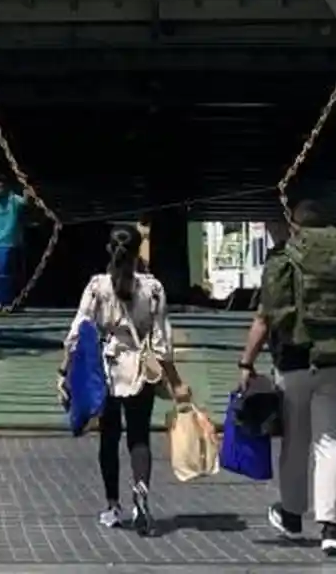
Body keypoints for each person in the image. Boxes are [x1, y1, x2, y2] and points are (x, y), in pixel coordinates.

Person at [236, 200, 336, 557]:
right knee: (331, 444)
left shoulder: (288, 258)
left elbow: (265, 318)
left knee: (296, 442)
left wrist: (246, 363)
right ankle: (331, 528)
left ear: (296, 227)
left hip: (292, 363)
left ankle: (292, 515)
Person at [57, 224, 190, 536]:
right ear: (139, 250)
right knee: (139, 437)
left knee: (109, 437)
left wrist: (63, 371)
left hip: (106, 371)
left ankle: (112, 506)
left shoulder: (97, 287)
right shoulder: (153, 288)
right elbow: (161, 342)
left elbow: (77, 333)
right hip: (139, 371)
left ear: (109, 250)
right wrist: (176, 382)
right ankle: (141, 497)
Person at [0, 176, 28, 308]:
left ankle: (3, 300)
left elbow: (25, 202)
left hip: (7, 242)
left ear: (6, 188)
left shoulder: (14, 199)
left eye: (0, 187)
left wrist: (26, 187)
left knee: (2, 272)